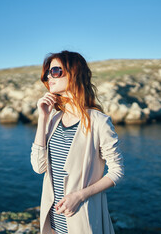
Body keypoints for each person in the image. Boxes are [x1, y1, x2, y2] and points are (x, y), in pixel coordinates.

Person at [30, 50, 124, 234]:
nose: (50, 76)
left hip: (83, 220)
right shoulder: (53, 119)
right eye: (48, 73)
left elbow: (117, 172)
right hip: (53, 224)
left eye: (55, 71)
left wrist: (79, 196)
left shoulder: (98, 121)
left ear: (74, 73)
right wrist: (42, 118)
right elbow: (38, 167)